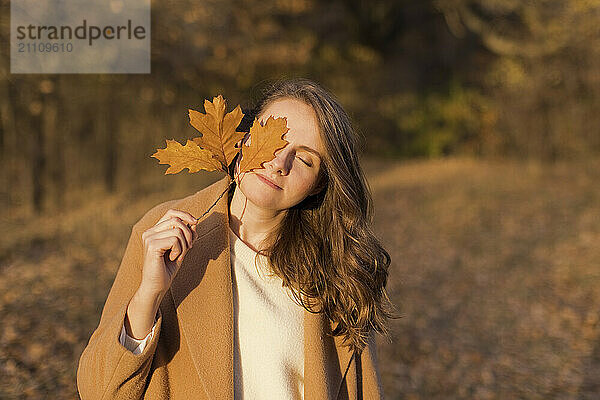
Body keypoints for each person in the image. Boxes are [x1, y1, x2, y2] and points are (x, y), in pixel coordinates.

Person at [77, 78, 394, 399]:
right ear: (242, 138)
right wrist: (150, 293)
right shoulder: (162, 233)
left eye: (304, 159)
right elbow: (100, 391)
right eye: (271, 137)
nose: (278, 162)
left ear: (318, 184)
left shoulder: (339, 272)